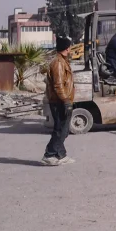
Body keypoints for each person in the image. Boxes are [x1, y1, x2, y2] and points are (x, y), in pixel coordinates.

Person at [42, 36, 76, 166]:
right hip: (59, 101)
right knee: (60, 129)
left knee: (63, 130)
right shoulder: (58, 63)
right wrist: (66, 100)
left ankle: (61, 155)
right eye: (70, 46)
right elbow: (58, 85)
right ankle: (49, 154)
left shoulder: (62, 61)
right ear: (67, 48)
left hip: (62, 100)